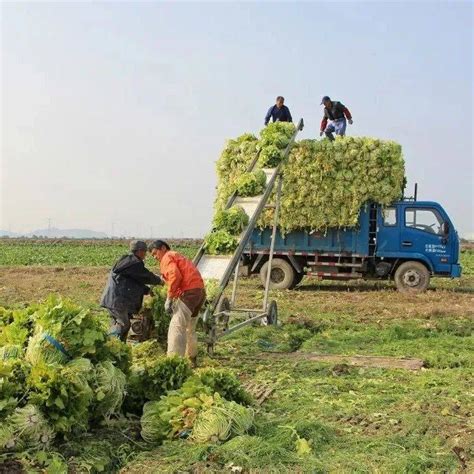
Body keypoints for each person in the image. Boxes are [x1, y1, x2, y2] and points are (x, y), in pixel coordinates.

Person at [148, 240, 206, 367]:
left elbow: (175, 276)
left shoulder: (167, 257)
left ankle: (173, 363)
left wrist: (169, 298)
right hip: (199, 291)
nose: (155, 257)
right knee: (190, 327)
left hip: (189, 292)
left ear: (163, 248)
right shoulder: (177, 255)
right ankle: (191, 359)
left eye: (155, 253)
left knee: (176, 326)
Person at [100, 240, 161, 341]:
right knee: (123, 324)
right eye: (145, 252)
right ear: (140, 251)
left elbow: (134, 282)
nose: (145, 255)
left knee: (119, 324)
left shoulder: (128, 262)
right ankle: (110, 343)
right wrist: (160, 281)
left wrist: (147, 290)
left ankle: (118, 348)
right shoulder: (133, 263)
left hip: (116, 300)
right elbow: (146, 276)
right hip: (118, 301)